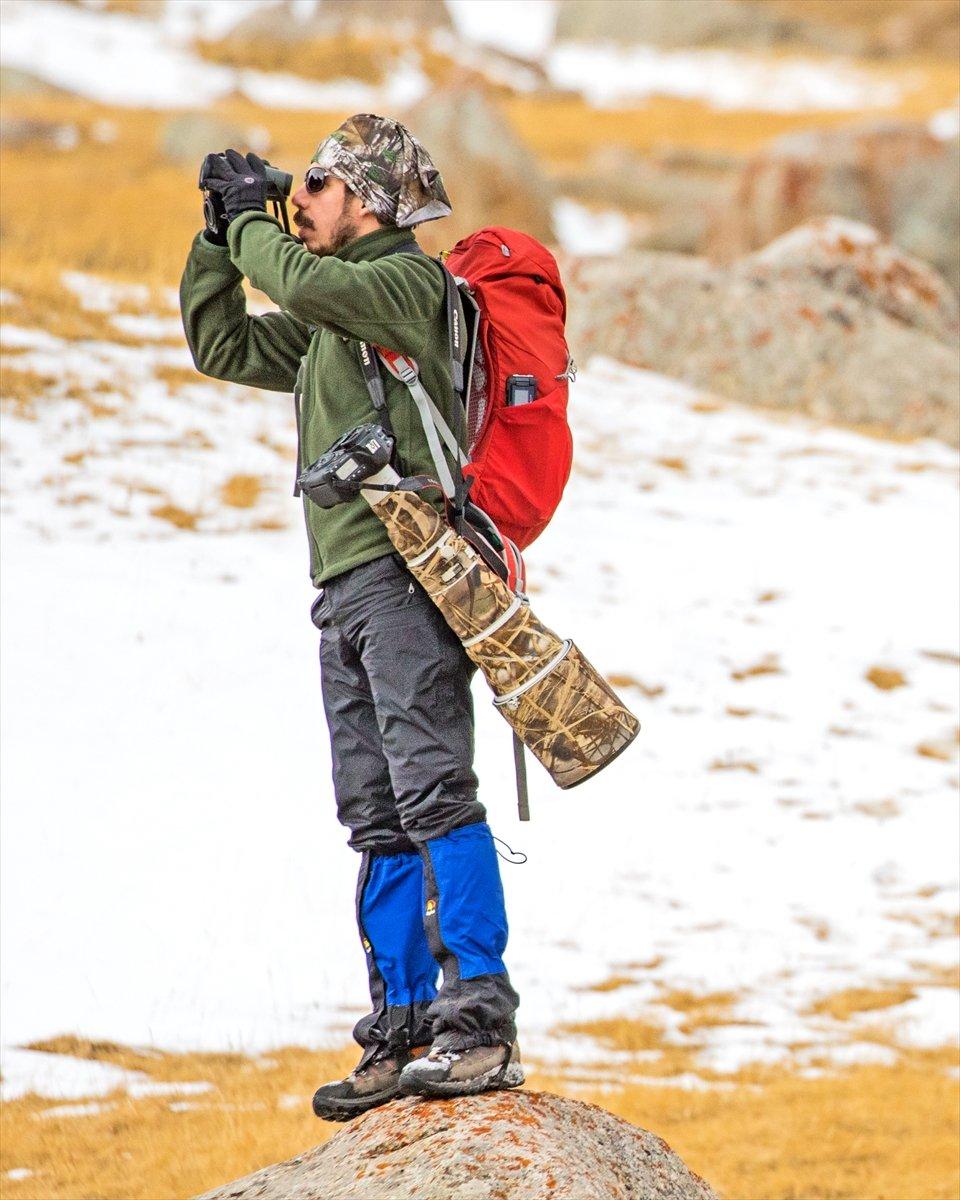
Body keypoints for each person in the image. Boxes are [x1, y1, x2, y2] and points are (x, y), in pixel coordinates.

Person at [179, 114, 522, 1121]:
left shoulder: (404, 287)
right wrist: (215, 238)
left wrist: (252, 230)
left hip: (411, 575)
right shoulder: (335, 313)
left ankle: (480, 1022)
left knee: (433, 792)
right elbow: (222, 340)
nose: (298, 207)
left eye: (315, 189)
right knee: (374, 814)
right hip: (346, 587)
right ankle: (407, 1024)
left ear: (366, 198)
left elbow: (300, 281)